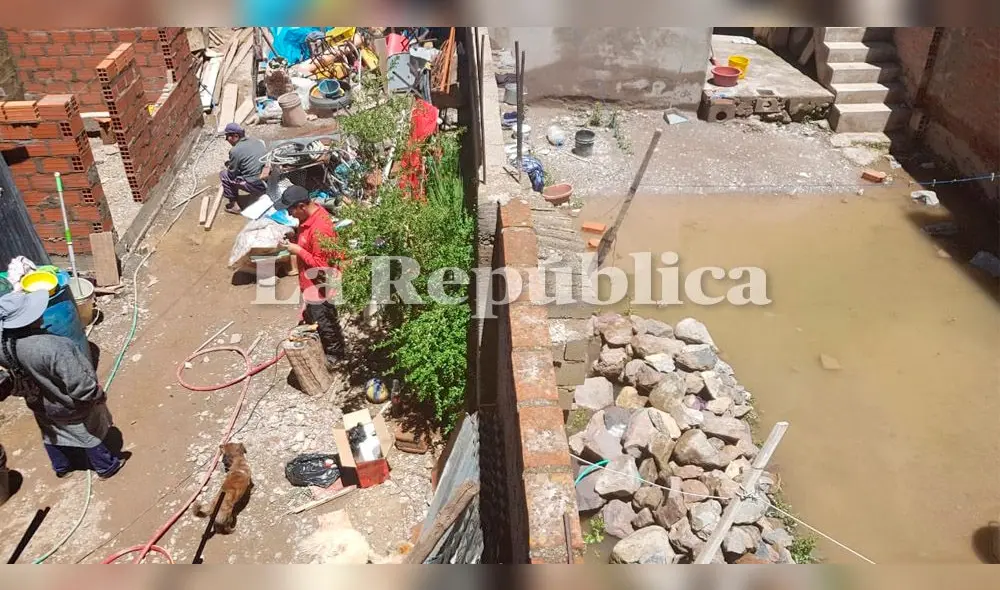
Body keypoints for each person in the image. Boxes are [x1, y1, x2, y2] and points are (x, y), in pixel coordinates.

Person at [0, 290, 125, 480]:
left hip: (38, 402)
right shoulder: (54, 347)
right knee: (87, 433)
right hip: (68, 405)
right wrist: (97, 395)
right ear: (31, 318)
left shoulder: (5, 346)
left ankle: (62, 466)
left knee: (51, 434)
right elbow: (80, 385)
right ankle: (106, 466)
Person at [275, 185, 346, 367]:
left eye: (291, 210)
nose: (290, 214)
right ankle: (333, 345)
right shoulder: (308, 218)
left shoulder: (320, 228)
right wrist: (295, 242)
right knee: (321, 317)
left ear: (301, 206)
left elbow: (322, 266)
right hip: (310, 282)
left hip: (321, 284)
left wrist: (297, 250)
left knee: (324, 320)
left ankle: (335, 355)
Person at [221, 123, 269, 215]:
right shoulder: (256, 141)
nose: (227, 140)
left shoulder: (235, 151)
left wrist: (230, 167)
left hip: (256, 185)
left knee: (224, 175)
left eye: (227, 137)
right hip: (266, 179)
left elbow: (232, 174)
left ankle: (235, 206)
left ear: (235, 136)